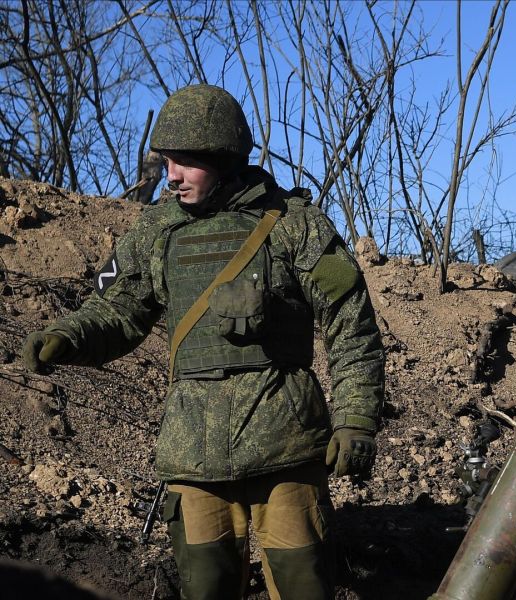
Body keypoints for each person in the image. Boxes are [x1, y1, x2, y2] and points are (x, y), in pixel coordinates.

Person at [21, 84, 385, 600]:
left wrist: (355, 419)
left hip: (285, 449)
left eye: (186, 162)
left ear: (224, 159)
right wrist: (67, 336)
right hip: (193, 457)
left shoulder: (294, 225)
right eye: (168, 161)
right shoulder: (155, 232)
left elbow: (351, 325)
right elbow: (117, 311)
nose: (171, 175)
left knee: (303, 586)